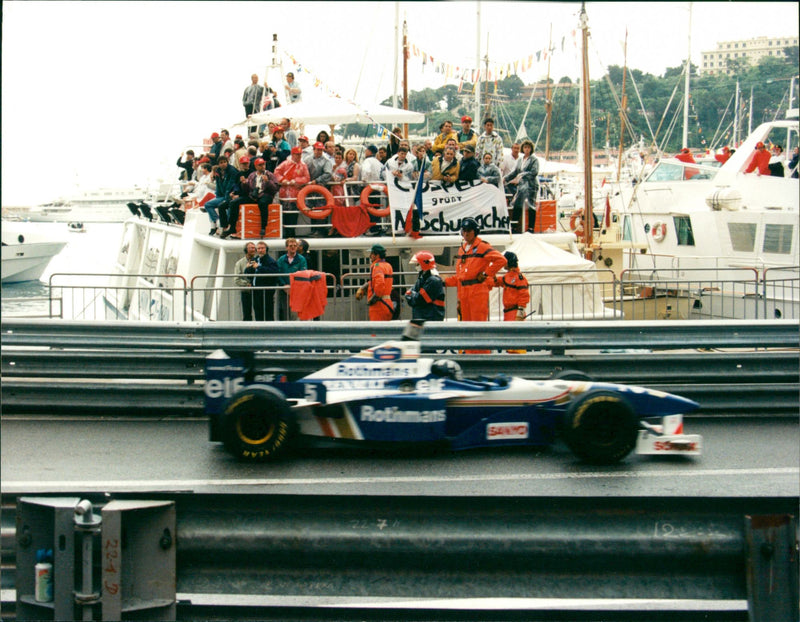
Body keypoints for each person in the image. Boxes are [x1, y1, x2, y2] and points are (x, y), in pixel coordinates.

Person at [444, 217, 507, 322]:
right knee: (465, 324)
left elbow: (501, 260)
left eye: (469, 231)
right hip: (464, 292)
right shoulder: (462, 249)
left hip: (477, 290)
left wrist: (486, 274)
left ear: (475, 231)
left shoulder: (482, 246)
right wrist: (459, 299)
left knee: (478, 322)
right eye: (464, 230)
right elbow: (461, 276)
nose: (466, 233)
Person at [224, 157, 278, 238]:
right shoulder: (252, 175)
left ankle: (263, 227)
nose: (263, 166)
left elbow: (275, 189)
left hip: (265, 195)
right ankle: (232, 227)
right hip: (253, 195)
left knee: (263, 204)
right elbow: (246, 190)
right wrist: (244, 183)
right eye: (260, 165)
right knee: (233, 203)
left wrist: (268, 182)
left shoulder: (269, 174)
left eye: (263, 164)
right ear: (256, 166)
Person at [504, 139, 539, 233]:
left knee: (531, 205)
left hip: (531, 185)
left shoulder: (534, 159)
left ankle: (531, 228)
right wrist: (505, 178)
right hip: (521, 186)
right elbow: (515, 172)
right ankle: (514, 226)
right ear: (523, 149)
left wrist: (523, 174)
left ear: (531, 149)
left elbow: (534, 172)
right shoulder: (520, 159)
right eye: (525, 147)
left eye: (528, 147)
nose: (527, 149)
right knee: (517, 204)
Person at [354, 244, 394, 321]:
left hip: (379, 305)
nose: (370, 256)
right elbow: (375, 281)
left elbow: (379, 284)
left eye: (371, 254)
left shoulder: (377, 266)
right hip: (387, 303)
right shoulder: (388, 265)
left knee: (376, 332)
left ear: (377, 255)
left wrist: (372, 300)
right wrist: (363, 288)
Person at [405, 251, 445, 321]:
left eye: (417, 264)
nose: (416, 267)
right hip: (423, 316)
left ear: (424, 264)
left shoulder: (434, 280)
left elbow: (421, 299)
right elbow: (411, 294)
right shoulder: (422, 278)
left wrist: (412, 295)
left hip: (430, 317)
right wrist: (413, 295)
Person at [203, 155, 239, 235]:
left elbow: (231, 185)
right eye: (221, 163)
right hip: (221, 196)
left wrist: (226, 198)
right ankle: (216, 221)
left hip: (229, 196)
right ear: (218, 164)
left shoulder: (232, 171)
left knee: (220, 206)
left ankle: (218, 224)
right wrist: (218, 196)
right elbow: (218, 185)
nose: (223, 164)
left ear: (227, 162)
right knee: (208, 205)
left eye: (224, 162)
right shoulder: (218, 171)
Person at [277, 237, 307, 320]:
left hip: (298, 289)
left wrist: (294, 286)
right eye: (290, 246)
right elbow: (278, 273)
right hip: (284, 290)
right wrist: (284, 285)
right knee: (285, 311)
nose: (293, 247)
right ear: (287, 247)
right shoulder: (281, 260)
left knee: (296, 311)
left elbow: (302, 273)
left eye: (295, 245)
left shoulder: (301, 259)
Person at [495, 251, 530, 321]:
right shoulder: (508, 276)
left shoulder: (519, 278)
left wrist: (520, 313)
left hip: (515, 313)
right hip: (508, 313)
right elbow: (497, 281)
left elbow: (524, 295)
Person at [253, 240, 279, 321]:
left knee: (268, 311)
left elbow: (273, 272)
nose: (260, 250)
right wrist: (248, 268)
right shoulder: (255, 259)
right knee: (257, 310)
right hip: (256, 289)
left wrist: (259, 267)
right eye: (259, 248)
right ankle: (258, 329)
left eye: (262, 248)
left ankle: (270, 330)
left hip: (266, 290)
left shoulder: (270, 261)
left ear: (266, 249)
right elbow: (249, 272)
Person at [234, 242, 258, 321]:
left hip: (257, 291)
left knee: (259, 311)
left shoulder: (258, 260)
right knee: (247, 313)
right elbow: (236, 279)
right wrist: (247, 284)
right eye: (251, 248)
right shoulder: (240, 263)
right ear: (246, 250)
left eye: (254, 248)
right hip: (246, 291)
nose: (253, 249)